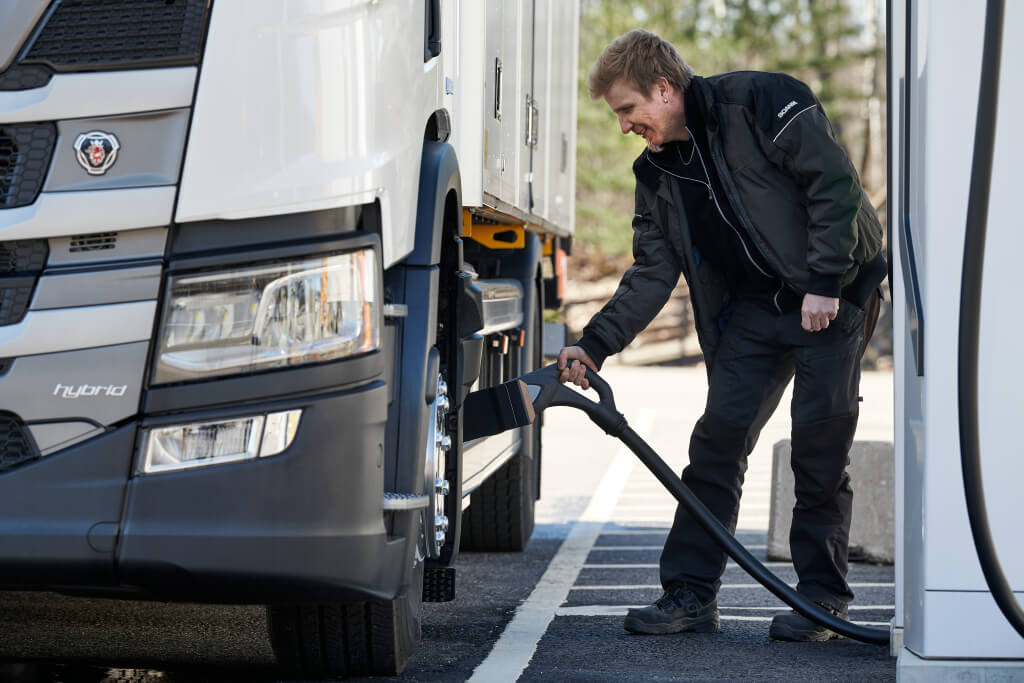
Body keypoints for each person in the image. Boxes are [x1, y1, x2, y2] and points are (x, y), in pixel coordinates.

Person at [557, 29, 886, 642]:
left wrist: (824, 282)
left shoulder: (764, 101)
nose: (624, 126)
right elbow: (652, 271)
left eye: (628, 109)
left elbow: (834, 185)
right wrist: (595, 343)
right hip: (755, 311)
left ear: (663, 89)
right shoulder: (657, 172)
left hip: (833, 296)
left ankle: (822, 600)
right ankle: (690, 594)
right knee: (716, 445)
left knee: (818, 450)